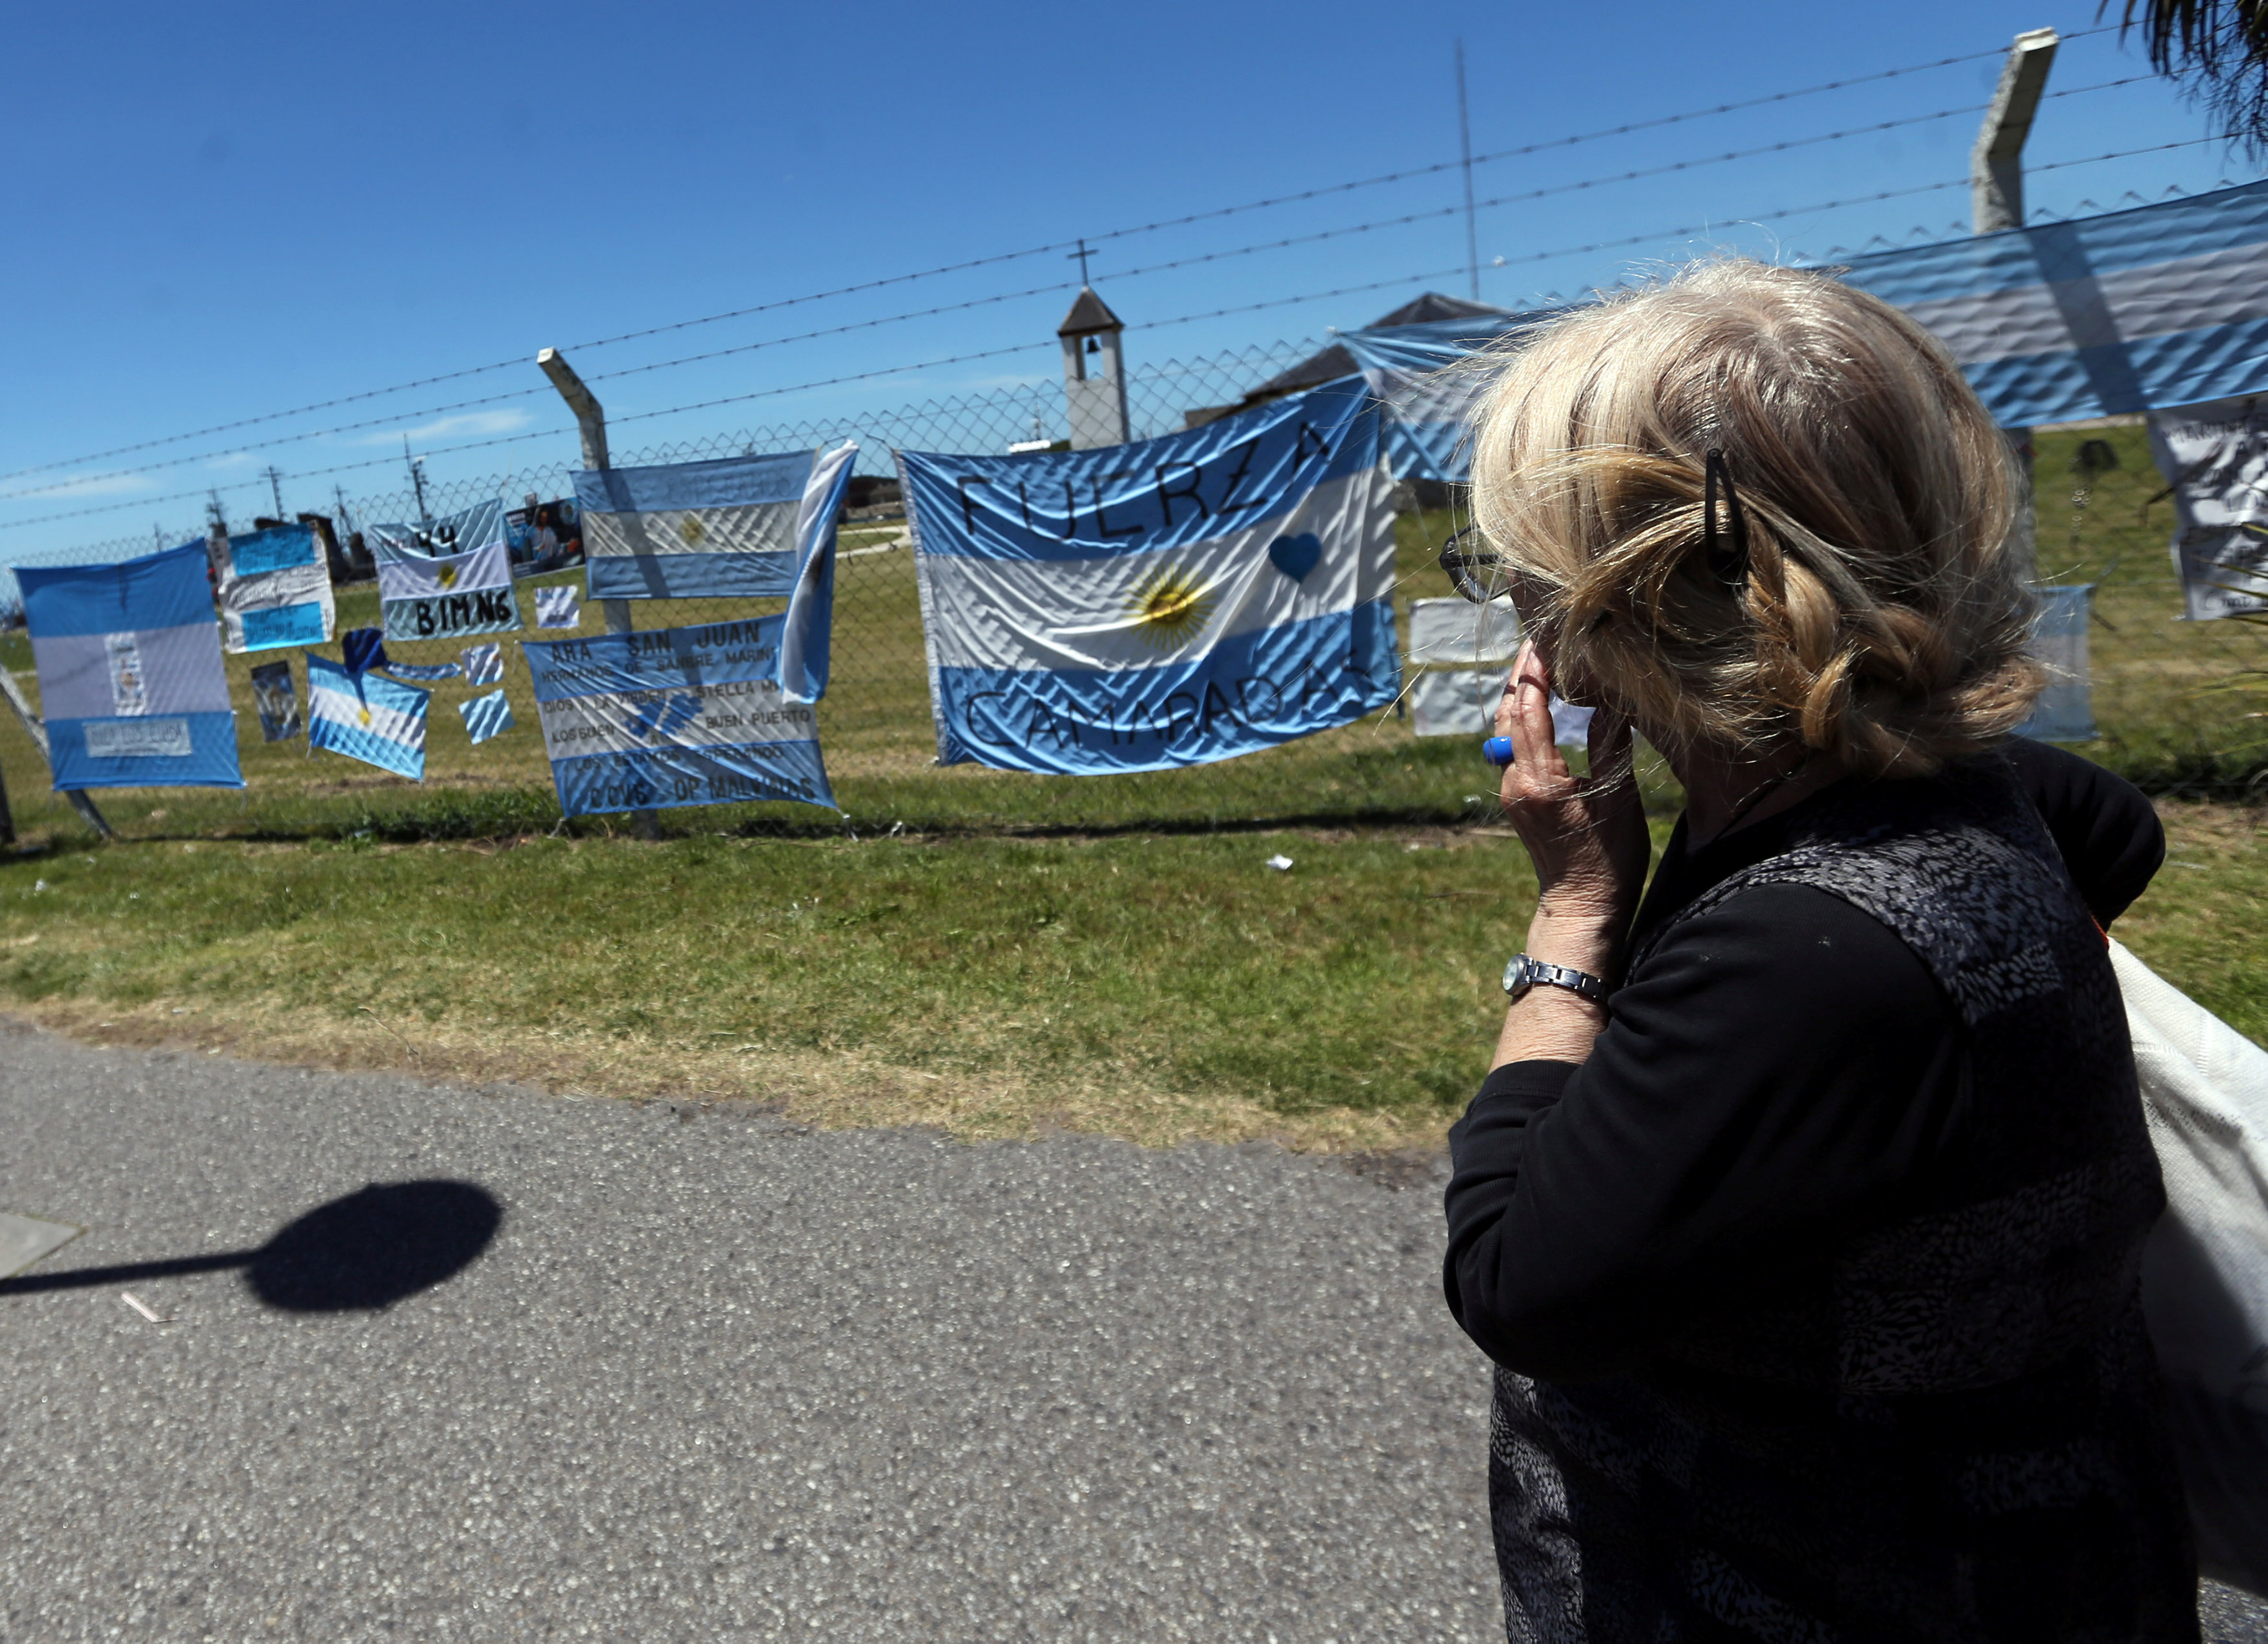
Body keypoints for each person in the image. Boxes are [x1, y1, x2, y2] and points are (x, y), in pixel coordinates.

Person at [1438, 260, 2197, 1643]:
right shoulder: (1980, 785)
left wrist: (1571, 924)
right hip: (2047, 1548)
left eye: (1520, 569)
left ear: (1619, 601)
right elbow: (2120, 834)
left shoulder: (1803, 958)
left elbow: (1516, 1282)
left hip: (1827, 1585)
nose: (1514, 605)